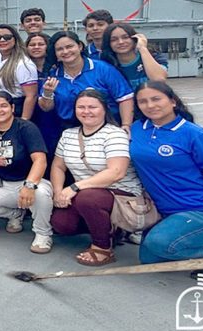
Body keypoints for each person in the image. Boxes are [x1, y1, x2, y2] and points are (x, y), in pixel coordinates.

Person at [130, 82, 203, 273]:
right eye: (143, 101)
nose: (150, 105)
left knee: (160, 244)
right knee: (149, 258)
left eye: (156, 99)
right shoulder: (137, 129)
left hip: (202, 209)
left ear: (172, 101)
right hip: (165, 211)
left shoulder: (195, 135)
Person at [50, 90, 144, 266]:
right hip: (85, 193)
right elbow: (57, 166)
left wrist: (74, 187)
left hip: (121, 193)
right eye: (81, 107)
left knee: (88, 198)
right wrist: (57, 192)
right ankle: (112, 230)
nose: (86, 111)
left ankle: (103, 248)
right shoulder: (68, 134)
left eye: (92, 107)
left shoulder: (114, 134)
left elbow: (117, 172)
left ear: (104, 109)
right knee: (61, 224)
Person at [0, 92, 55, 254]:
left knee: (41, 195)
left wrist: (29, 185)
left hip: (33, 179)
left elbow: (40, 160)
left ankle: (43, 233)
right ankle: (15, 213)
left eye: (3, 106)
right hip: (5, 182)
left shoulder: (26, 128)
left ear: (12, 108)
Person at [38, 31, 134, 132]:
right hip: (69, 130)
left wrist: (126, 125)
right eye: (59, 49)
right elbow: (46, 108)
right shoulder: (53, 75)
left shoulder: (103, 69)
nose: (65, 52)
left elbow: (125, 98)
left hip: (107, 127)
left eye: (69, 46)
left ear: (79, 46)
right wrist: (47, 94)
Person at [0, 24, 38, 120]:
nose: (2, 40)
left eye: (7, 37)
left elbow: (31, 96)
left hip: (16, 112)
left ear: (15, 39)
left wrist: (23, 122)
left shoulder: (24, 64)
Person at [23, 32, 61, 157]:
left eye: (41, 44)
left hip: (56, 118)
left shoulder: (58, 69)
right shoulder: (23, 69)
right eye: (32, 44)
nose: (36, 47)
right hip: (33, 117)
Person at [101, 22, 168, 89]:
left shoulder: (154, 56)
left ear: (134, 39)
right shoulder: (105, 65)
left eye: (125, 37)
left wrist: (142, 48)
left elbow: (159, 80)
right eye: (114, 40)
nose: (121, 42)